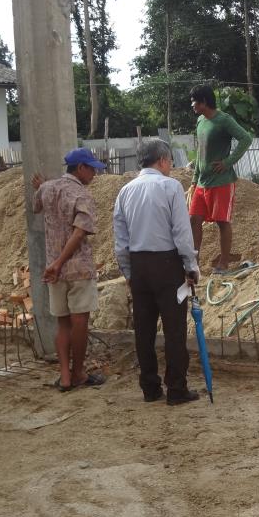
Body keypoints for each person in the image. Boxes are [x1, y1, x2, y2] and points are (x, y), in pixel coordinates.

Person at [113, 140, 201, 405]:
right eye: (171, 162)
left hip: (139, 265)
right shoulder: (170, 186)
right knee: (174, 329)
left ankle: (150, 388)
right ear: (162, 161)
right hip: (166, 264)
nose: (171, 167)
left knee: (144, 329)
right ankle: (176, 389)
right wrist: (191, 266)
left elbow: (120, 239)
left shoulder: (125, 191)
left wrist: (128, 271)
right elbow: (181, 232)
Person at [31, 148, 108, 392]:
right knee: (80, 323)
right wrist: (61, 262)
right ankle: (78, 373)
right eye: (92, 168)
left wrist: (54, 264)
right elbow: (80, 231)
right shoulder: (81, 194)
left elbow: (37, 205)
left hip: (53, 271)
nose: (94, 173)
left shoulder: (48, 188)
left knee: (63, 325)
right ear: (80, 168)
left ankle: (64, 376)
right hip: (77, 269)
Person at [187, 84, 253, 274]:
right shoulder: (200, 121)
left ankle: (223, 263)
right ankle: (194, 263)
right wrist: (194, 179)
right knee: (194, 220)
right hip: (201, 182)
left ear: (204, 102)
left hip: (222, 181)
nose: (192, 105)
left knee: (222, 222)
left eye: (194, 101)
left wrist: (228, 162)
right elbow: (200, 154)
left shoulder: (224, 120)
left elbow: (246, 139)